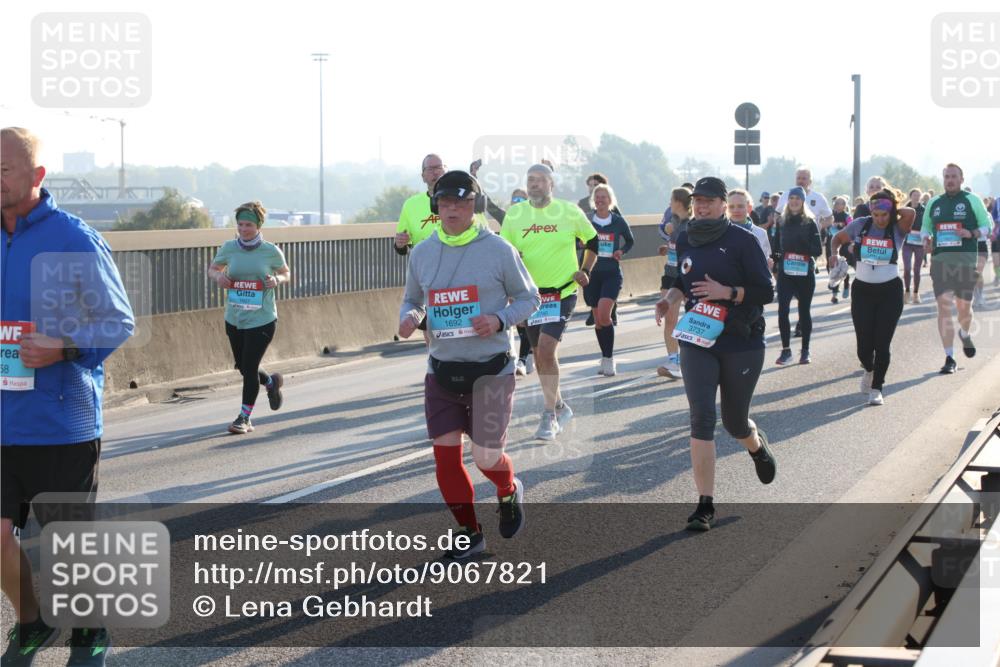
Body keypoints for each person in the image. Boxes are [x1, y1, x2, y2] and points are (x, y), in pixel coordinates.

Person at [1, 127, 135, 667]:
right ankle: (32, 623)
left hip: (62, 422)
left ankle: (88, 629)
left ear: (36, 176)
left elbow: (118, 320)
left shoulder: (74, 238)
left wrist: (63, 347)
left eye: (4, 169)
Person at [399, 170, 539, 558]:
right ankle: (469, 531)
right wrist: (409, 316)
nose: (452, 210)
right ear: (435, 207)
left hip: (491, 370)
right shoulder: (423, 252)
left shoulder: (497, 250)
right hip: (442, 371)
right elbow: (412, 300)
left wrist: (498, 320)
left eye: (461, 203)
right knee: (444, 456)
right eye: (445, 204)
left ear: (474, 206)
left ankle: (508, 489)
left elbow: (530, 299)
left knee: (485, 457)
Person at [654, 177, 776, 531]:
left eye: (709, 201)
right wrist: (669, 299)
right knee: (702, 417)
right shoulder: (686, 236)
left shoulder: (743, 239)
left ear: (724, 204)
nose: (702, 206)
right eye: (698, 201)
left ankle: (755, 445)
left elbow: (765, 291)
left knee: (734, 421)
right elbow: (681, 279)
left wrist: (728, 291)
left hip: (741, 338)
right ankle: (705, 505)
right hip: (698, 338)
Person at [500, 163, 598, 441]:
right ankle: (559, 406)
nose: (534, 184)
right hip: (530, 296)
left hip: (562, 291)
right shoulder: (515, 215)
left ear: (551, 185)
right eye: (530, 180)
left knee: (545, 349)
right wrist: (508, 288)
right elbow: (507, 255)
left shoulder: (568, 211)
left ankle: (549, 416)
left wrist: (586, 270)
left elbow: (592, 241)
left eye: (540, 180)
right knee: (540, 356)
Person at [208, 202, 291, 434]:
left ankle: (244, 418)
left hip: (262, 319)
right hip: (234, 318)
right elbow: (212, 269)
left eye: (249, 225)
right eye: (240, 224)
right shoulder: (229, 248)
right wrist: (218, 277)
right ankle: (271, 384)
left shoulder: (270, 251)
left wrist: (277, 281)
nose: (243, 229)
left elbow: (286, 273)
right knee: (243, 367)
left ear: (258, 226)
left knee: (250, 365)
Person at [830, 189, 916, 405]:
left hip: (890, 292)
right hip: (863, 291)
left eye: (884, 215)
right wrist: (833, 254)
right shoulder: (861, 224)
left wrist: (891, 206)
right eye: (876, 214)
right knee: (863, 347)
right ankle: (869, 368)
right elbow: (836, 239)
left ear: (891, 213)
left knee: (882, 343)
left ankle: (877, 388)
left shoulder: (898, 228)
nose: (879, 219)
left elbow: (910, 213)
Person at [921, 163, 994, 374]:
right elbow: (926, 227)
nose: (949, 180)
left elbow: (987, 227)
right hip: (941, 262)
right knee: (943, 305)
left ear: (961, 179)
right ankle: (949, 356)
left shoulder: (972, 200)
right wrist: (926, 238)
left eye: (953, 177)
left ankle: (964, 332)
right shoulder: (934, 203)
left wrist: (971, 234)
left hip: (965, 262)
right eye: (946, 177)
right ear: (943, 179)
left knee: (964, 308)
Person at [395, 154, 447, 341]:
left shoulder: (458, 201)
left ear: (445, 170)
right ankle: (434, 364)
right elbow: (402, 245)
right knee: (430, 326)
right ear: (423, 176)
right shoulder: (411, 205)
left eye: (438, 167)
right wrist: (400, 243)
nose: (435, 172)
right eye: (430, 169)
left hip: (456, 267)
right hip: (426, 272)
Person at [585, 184, 634, 376]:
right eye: (597, 197)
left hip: (612, 272)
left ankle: (610, 359)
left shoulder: (618, 221)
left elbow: (630, 240)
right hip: (591, 274)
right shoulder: (587, 221)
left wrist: (621, 251)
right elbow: (575, 240)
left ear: (610, 200)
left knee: (605, 315)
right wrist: (581, 244)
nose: (600, 200)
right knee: (598, 320)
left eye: (604, 197)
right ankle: (604, 357)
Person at [772, 186, 823, 365]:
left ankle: (805, 350)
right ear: (788, 201)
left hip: (804, 272)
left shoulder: (810, 222)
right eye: (791, 198)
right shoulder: (781, 221)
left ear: (803, 201)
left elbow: (818, 249)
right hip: (786, 273)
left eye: (798, 199)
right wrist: (776, 264)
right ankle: (786, 351)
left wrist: (802, 249)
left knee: (804, 311)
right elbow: (776, 248)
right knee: (782, 310)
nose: (794, 201)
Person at [656, 186, 693, 379]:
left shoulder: (691, 224)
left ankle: (693, 357)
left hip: (686, 276)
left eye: (671, 199)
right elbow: (676, 245)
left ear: (678, 202)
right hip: (669, 273)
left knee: (691, 318)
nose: (669, 203)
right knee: (669, 318)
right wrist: (668, 247)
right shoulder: (673, 221)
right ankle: (673, 360)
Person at [727, 189, 773, 267]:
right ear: (726, 209)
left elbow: (765, 262)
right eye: (731, 207)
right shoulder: (720, 232)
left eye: (740, 206)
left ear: (749, 208)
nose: (736, 210)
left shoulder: (761, 233)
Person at [902, 188, 927, 304]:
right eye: (914, 195)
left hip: (919, 243)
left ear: (920, 197)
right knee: (907, 268)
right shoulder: (904, 209)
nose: (916, 197)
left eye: (918, 195)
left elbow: (928, 225)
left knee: (917, 269)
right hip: (907, 242)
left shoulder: (924, 210)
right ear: (910, 196)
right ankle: (907, 292)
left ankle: (916, 294)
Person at [828, 196, 854, 304]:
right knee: (832, 267)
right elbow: (825, 225)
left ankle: (846, 285)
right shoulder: (830, 215)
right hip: (832, 243)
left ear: (844, 205)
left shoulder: (847, 217)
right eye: (837, 203)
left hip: (844, 244)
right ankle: (834, 291)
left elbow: (852, 228)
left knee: (842, 266)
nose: (838, 205)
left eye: (841, 203)